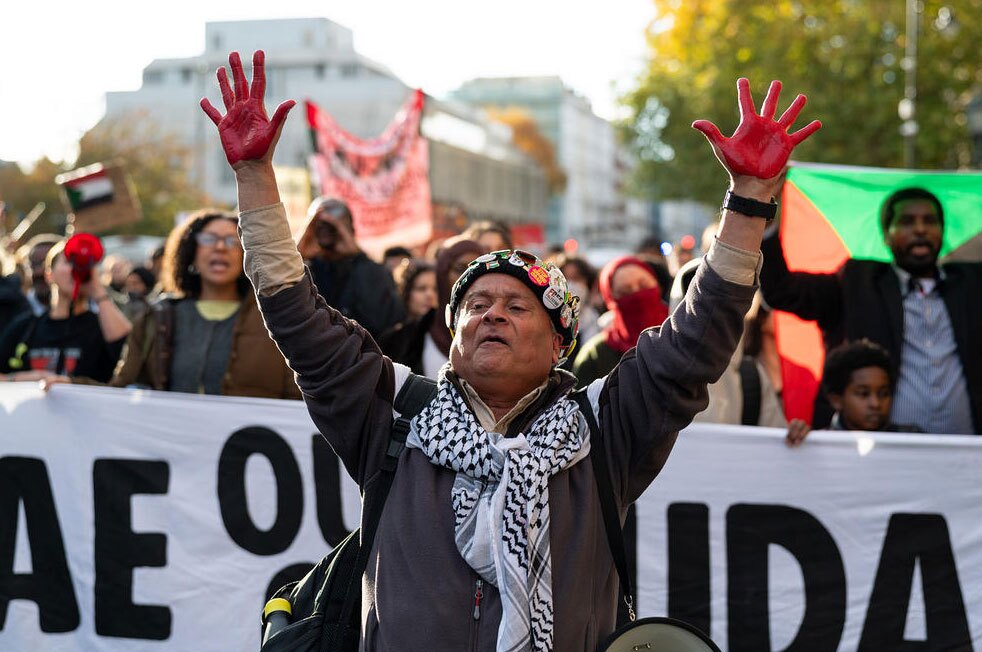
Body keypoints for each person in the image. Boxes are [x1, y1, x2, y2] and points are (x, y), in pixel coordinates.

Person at [201, 50, 819, 650]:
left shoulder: (605, 429)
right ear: (454, 337)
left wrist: (748, 200)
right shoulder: (393, 416)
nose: (493, 313)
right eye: (476, 305)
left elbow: (697, 341)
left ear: (559, 346)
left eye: (518, 307)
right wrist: (254, 177)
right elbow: (298, 322)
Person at [760, 187, 982, 434]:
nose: (920, 229)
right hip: (873, 448)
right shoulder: (856, 283)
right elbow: (781, 291)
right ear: (886, 235)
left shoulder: (972, 283)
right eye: (907, 222)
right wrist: (764, 211)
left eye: (930, 221)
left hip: (968, 448)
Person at [107, 209, 301, 399]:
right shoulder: (157, 317)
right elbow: (121, 389)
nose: (220, 247)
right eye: (209, 239)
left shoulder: (277, 321)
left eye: (232, 241)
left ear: (246, 254)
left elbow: (298, 399)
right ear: (191, 251)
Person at [0, 237, 132, 383]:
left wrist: (97, 291)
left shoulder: (102, 326)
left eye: (82, 264)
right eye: (69, 262)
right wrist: (31, 378)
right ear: (49, 275)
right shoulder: (26, 327)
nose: (75, 269)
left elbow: (130, 353)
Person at [296, 196, 405, 339]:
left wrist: (357, 256)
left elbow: (382, 321)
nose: (325, 231)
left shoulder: (371, 271)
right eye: (318, 226)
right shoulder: (306, 271)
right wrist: (297, 255)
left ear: (350, 230)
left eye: (333, 226)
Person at [378, 239, 484, 377]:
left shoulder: (496, 329)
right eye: (460, 269)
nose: (469, 277)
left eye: (478, 270)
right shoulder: (402, 339)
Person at [785, 339, 920, 446]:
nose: (876, 404)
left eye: (883, 394)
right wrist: (798, 441)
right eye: (863, 394)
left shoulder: (913, 441)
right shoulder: (816, 443)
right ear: (836, 400)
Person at [571, 255, 669, 386]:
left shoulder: (681, 335)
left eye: (644, 285)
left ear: (658, 286)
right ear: (610, 300)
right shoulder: (595, 355)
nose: (637, 295)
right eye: (625, 292)